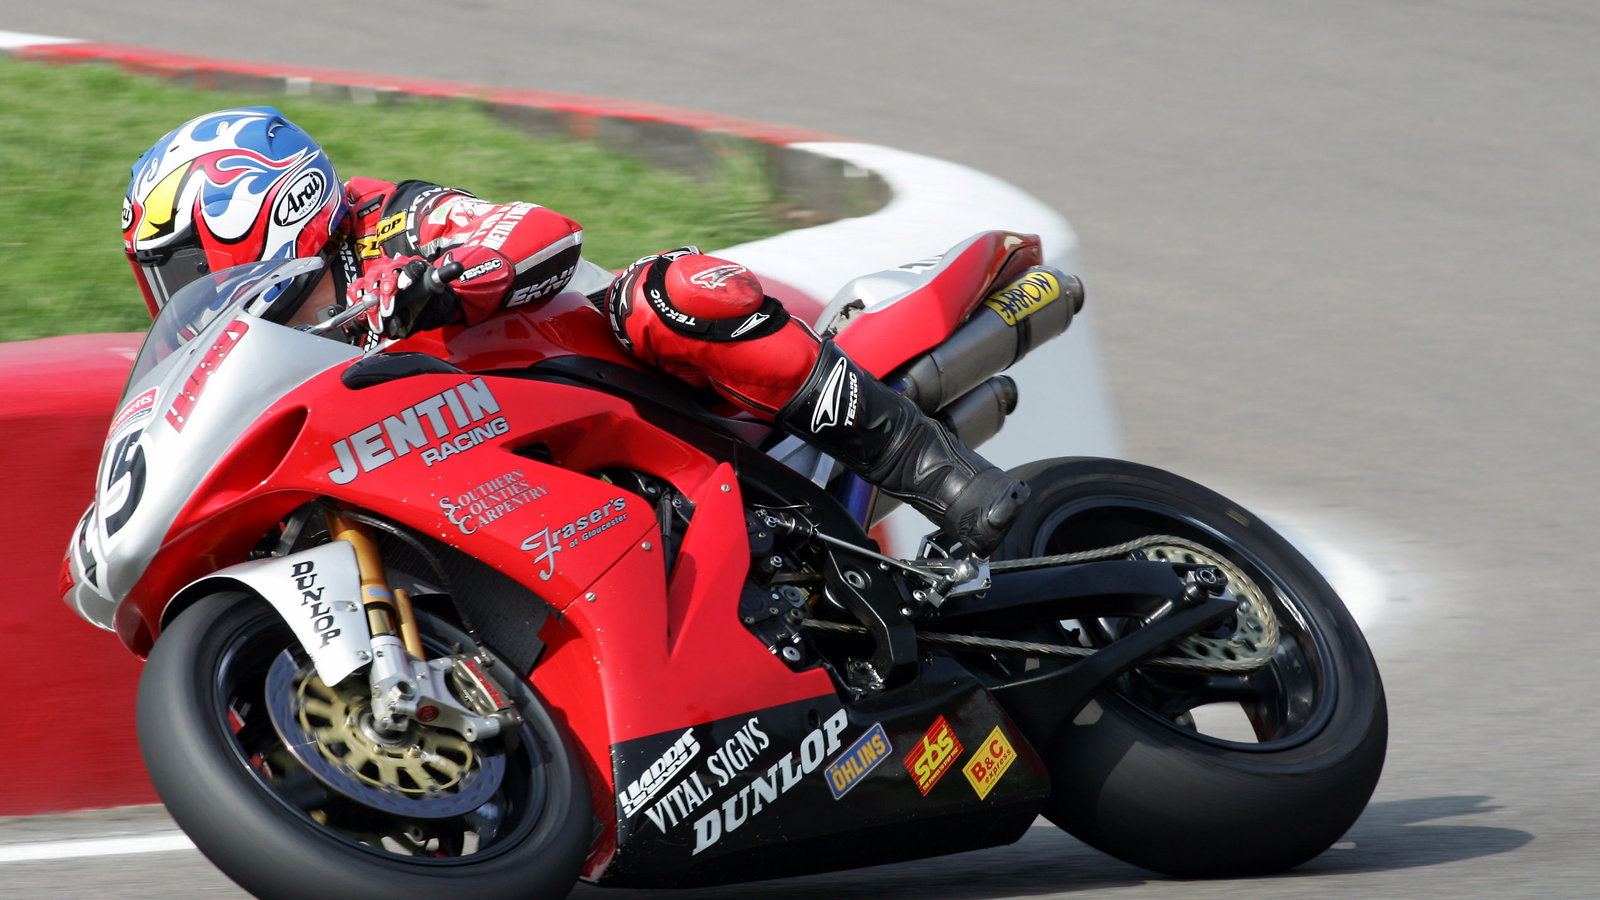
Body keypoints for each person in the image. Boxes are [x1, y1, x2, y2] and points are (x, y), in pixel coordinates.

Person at [120, 106, 1027, 556]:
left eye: (185, 262)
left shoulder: (389, 223)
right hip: (507, 493)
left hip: (638, 399)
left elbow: (540, 233)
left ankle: (943, 476)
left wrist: (440, 280)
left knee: (674, 291)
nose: (183, 287)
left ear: (257, 206)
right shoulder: (270, 347)